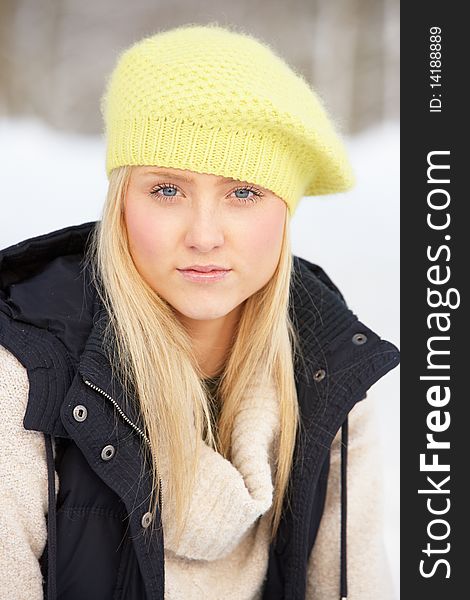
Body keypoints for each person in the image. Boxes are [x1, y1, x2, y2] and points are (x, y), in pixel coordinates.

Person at [0, 23, 400, 600]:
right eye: (167, 190)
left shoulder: (328, 371)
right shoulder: (25, 376)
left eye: (243, 193)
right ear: (121, 203)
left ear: (285, 213)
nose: (205, 235)